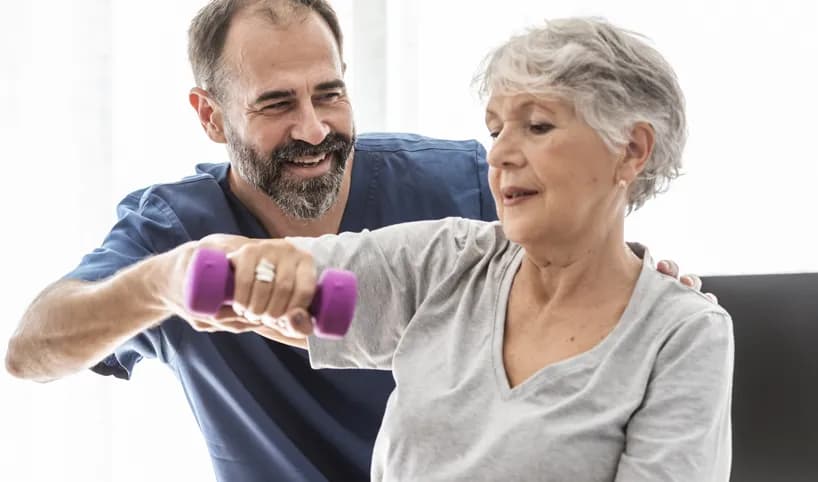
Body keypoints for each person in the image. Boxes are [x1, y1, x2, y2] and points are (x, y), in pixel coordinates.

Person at [4, 2, 710, 481]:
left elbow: (579, 244)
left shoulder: (458, 189)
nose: (313, 129)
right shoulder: (177, 229)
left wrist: (642, 289)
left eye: (329, 93)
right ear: (211, 116)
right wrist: (163, 283)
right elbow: (30, 350)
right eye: (277, 103)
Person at [189, 16, 734, 482]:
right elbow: (240, 281)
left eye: (538, 126)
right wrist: (227, 272)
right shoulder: (446, 263)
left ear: (632, 150)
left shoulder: (681, 337)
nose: (500, 156)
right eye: (497, 130)